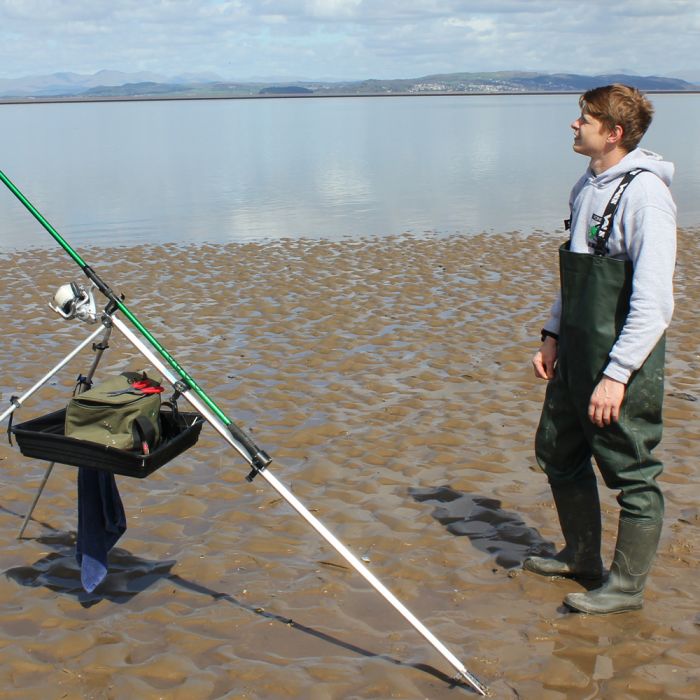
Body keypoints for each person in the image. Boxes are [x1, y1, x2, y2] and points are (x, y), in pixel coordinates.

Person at [524, 84, 677, 614]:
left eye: (584, 119)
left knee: (633, 473)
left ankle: (626, 588)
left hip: (621, 358)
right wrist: (552, 336)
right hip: (575, 351)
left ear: (614, 133)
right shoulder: (586, 185)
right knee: (557, 451)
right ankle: (582, 556)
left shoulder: (645, 196)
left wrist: (617, 375)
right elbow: (575, 274)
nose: (574, 125)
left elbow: (654, 303)